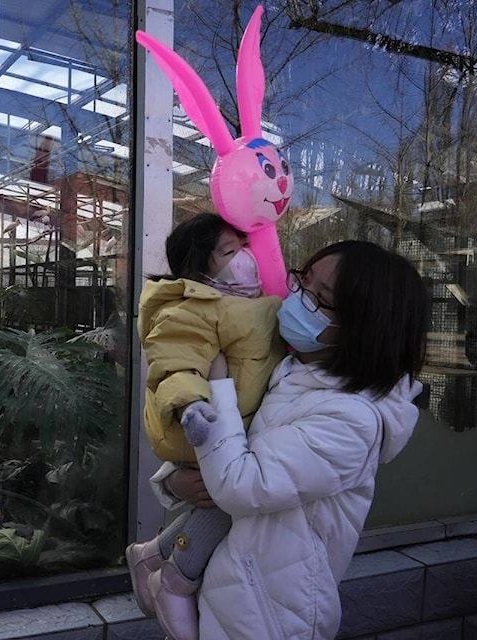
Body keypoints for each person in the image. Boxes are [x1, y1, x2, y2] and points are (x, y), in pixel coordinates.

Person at [164, 240, 428, 639]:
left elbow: (240, 484)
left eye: (319, 297)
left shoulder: (352, 420)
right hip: (219, 590)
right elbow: (235, 440)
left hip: (270, 618)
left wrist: (217, 383)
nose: (297, 299)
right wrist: (171, 480)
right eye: (303, 281)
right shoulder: (289, 369)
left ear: (363, 327)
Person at [128, 213, 285, 639]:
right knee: (229, 498)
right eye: (231, 252)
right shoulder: (193, 305)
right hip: (202, 423)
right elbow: (176, 362)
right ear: (201, 268)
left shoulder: (258, 305)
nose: (247, 259)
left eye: (246, 247)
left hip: (237, 424)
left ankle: (152, 557)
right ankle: (176, 578)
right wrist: (192, 407)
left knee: (225, 497)